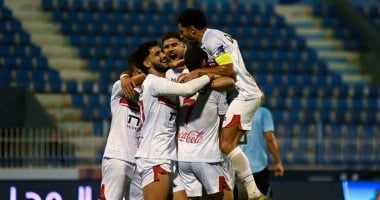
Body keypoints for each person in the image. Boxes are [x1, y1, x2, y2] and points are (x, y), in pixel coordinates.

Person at [177, 8, 265, 200]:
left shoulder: (212, 40)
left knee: (225, 144)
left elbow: (227, 68)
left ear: (192, 29)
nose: (181, 35)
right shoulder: (215, 35)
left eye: (182, 30)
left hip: (244, 95)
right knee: (227, 145)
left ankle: (252, 191)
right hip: (244, 93)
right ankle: (248, 191)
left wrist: (198, 73)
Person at [133, 41, 219, 200]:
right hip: (154, 157)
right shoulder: (154, 82)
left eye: (162, 52)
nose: (163, 55)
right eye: (157, 54)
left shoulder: (163, 83)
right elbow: (187, 90)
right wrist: (209, 74)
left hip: (168, 156)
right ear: (146, 63)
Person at [177, 45, 235, 200]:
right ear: (204, 62)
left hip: (182, 157)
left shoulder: (179, 85)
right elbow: (223, 121)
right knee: (227, 196)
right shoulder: (217, 89)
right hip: (206, 157)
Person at [100, 53, 143, 200]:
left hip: (140, 163)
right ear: (137, 69)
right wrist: (126, 77)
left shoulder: (150, 94)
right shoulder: (120, 88)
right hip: (117, 158)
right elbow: (130, 81)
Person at [239, 98, 285, 200]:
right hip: (257, 167)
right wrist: (278, 162)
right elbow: (270, 139)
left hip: (238, 168)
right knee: (265, 196)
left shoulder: (233, 112)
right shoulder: (263, 112)